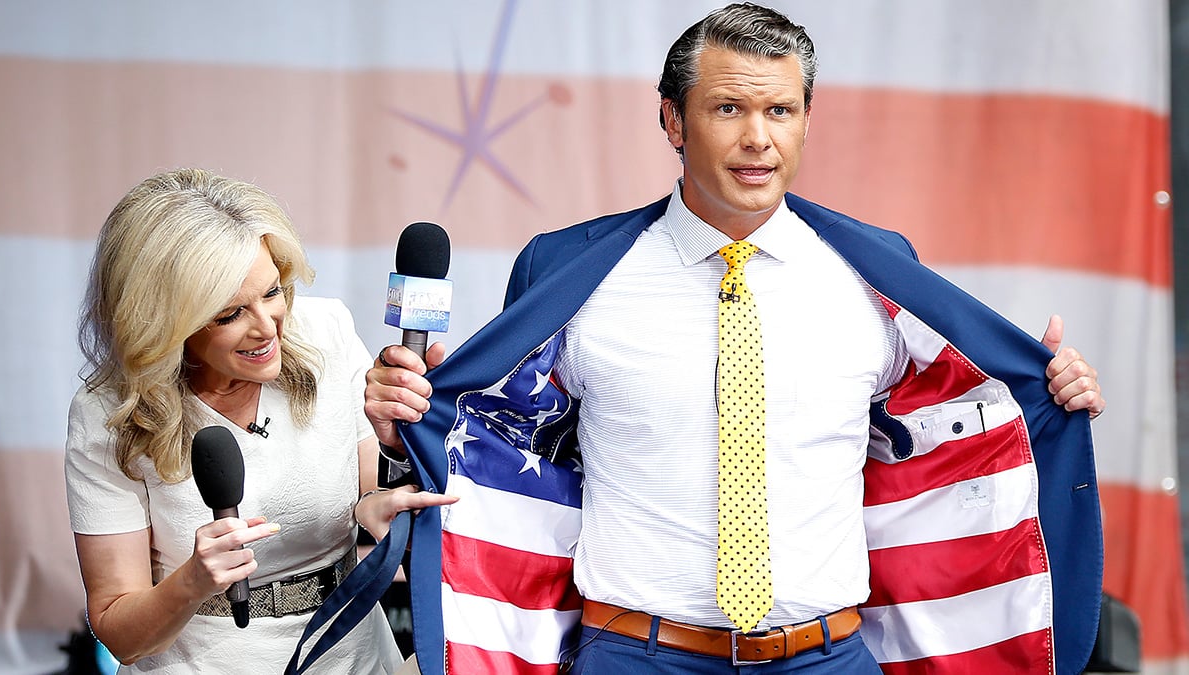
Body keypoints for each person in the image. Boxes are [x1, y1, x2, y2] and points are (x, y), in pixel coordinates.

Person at [366, 4, 1106, 674]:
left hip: (829, 656)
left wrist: (1041, 397)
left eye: (781, 109)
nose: (759, 138)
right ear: (673, 121)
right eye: (728, 108)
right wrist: (405, 434)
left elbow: (938, 432)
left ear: (808, 119)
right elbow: (508, 449)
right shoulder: (567, 272)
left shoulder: (881, 274)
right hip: (635, 655)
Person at [64, 168, 455, 674]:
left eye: (272, 292)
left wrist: (395, 461)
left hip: (350, 652)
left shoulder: (325, 331)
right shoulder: (107, 413)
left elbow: (372, 492)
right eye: (229, 314)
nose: (268, 326)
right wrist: (192, 581)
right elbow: (122, 635)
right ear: (163, 323)